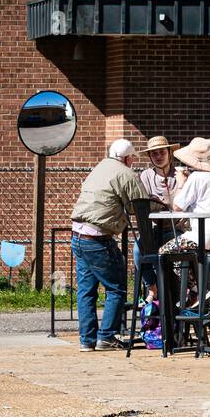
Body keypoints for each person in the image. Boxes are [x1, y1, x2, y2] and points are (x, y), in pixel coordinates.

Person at [69, 138, 148, 351]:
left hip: (77, 235)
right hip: (97, 239)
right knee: (117, 289)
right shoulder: (126, 174)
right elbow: (139, 207)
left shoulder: (100, 167)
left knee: (86, 291)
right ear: (129, 158)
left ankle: (87, 340)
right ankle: (106, 337)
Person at [159, 137, 210, 255]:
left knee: (164, 253)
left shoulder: (197, 177)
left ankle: (187, 274)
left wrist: (181, 184)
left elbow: (177, 207)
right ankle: (194, 273)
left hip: (202, 236)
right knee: (183, 255)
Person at [133, 135, 181, 303]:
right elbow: (144, 205)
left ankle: (184, 293)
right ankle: (153, 288)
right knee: (138, 249)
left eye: (162, 152)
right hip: (156, 229)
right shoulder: (146, 176)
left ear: (169, 153)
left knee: (175, 255)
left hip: (178, 229)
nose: (159, 157)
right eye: (154, 154)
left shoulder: (181, 174)